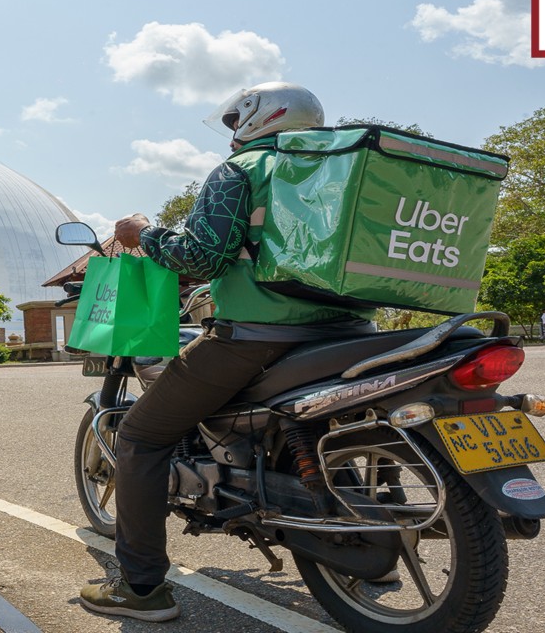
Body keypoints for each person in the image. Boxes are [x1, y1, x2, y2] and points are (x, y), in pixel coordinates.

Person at [78, 82, 379, 622]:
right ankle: (366, 549)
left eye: (235, 120)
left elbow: (203, 253)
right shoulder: (348, 172)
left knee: (143, 438)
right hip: (353, 333)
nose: (232, 131)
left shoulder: (244, 170)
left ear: (259, 117)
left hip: (259, 338)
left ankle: (141, 589)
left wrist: (146, 234)